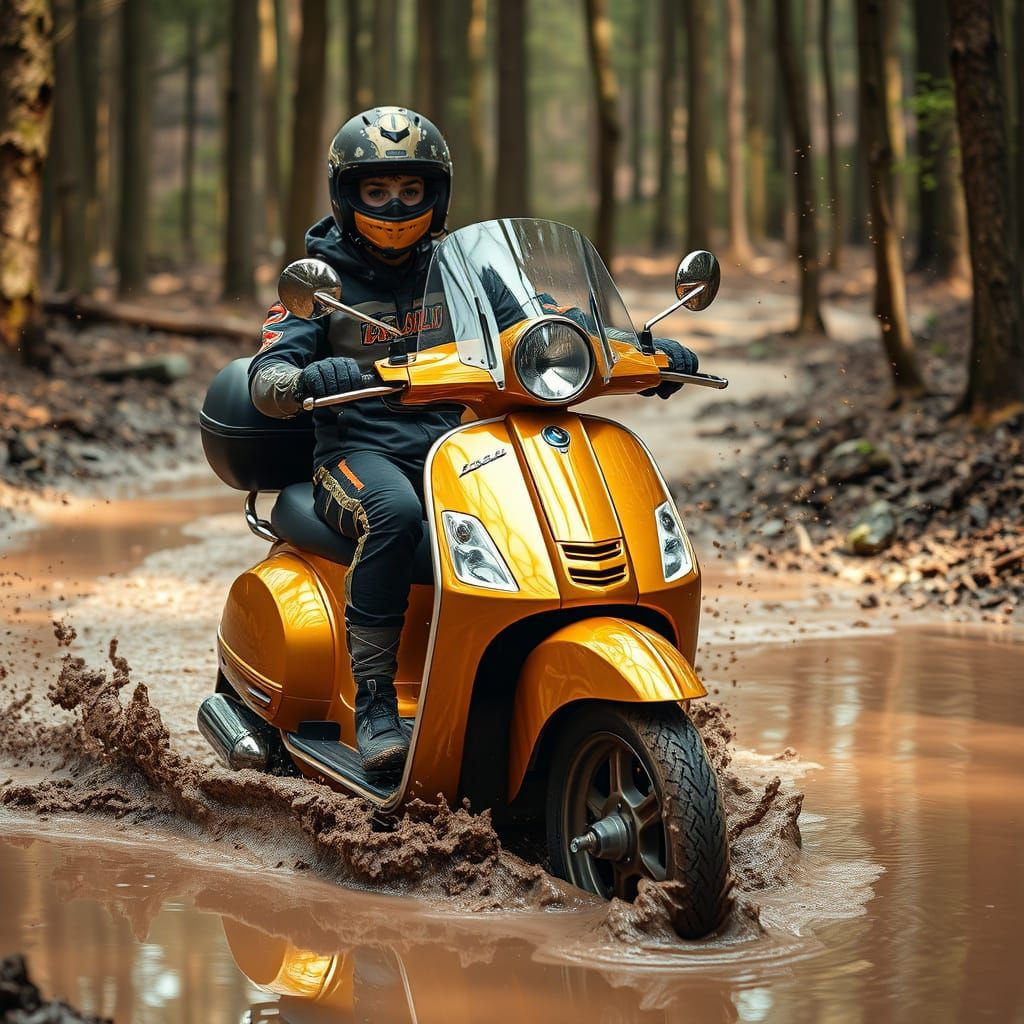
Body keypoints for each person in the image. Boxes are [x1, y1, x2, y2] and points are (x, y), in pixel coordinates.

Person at [248, 105, 698, 775]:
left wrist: (631, 347)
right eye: (376, 190)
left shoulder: (463, 271)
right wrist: (304, 377)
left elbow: (536, 330)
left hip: (458, 448)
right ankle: (374, 704)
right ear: (347, 194)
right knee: (396, 514)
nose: (395, 206)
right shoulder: (321, 282)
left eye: (411, 189)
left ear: (438, 193)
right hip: (359, 455)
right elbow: (267, 373)